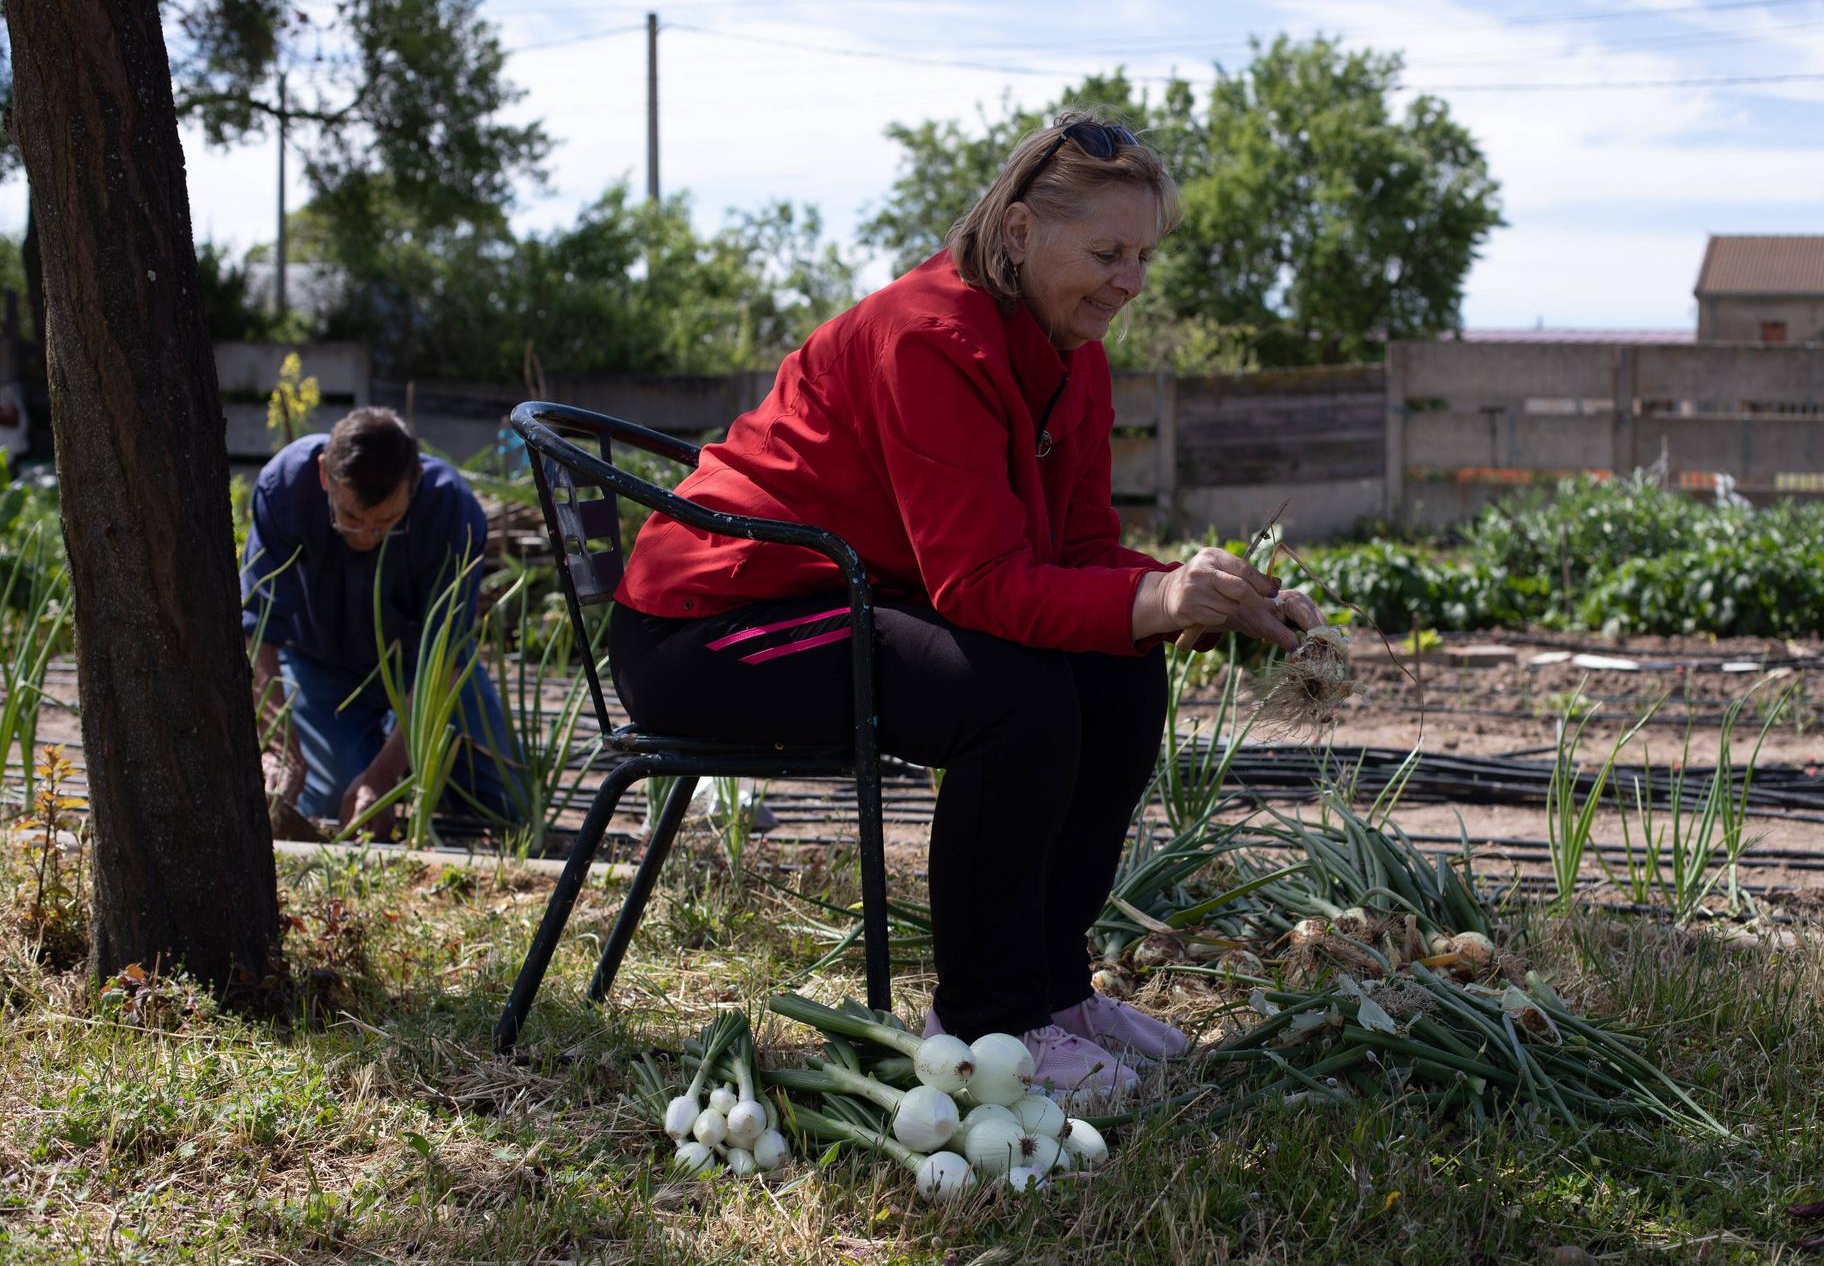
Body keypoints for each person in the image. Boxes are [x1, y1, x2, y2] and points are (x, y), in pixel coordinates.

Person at [609, 113, 1319, 1097]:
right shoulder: (930, 335)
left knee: (1117, 667)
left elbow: (1074, 554)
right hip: (711, 629)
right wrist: (1149, 595)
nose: (1130, 282)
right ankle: (986, 1019)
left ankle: (1051, 990)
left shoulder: (1074, 352)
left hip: (842, 599)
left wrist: (1202, 595)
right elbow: (977, 585)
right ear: (1020, 232)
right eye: (1107, 252)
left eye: (1143, 256)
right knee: (1011, 697)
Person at [242, 407, 518, 836]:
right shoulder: (284, 487)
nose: (366, 537)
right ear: (323, 476)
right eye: (350, 519)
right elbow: (257, 628)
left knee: (506, 800)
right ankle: (374, 750)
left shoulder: (451, 508)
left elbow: (443, 657)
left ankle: (395, 748)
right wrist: (279, 745)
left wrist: (385, 774)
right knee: (332, 801)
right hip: (320, 665)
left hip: (420, 668)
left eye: (386, 523)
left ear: (415, 482)